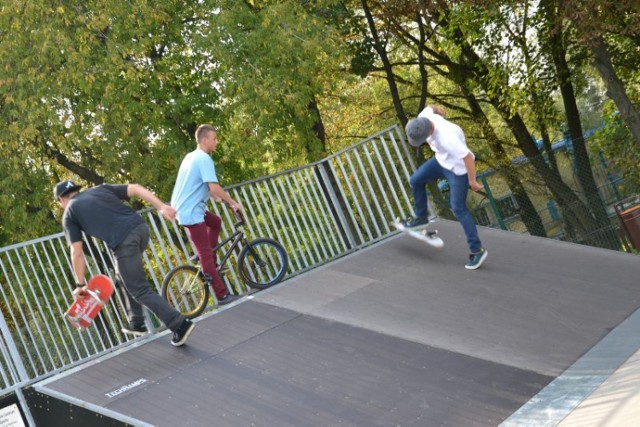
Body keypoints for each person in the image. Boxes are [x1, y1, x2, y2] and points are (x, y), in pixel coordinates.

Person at [54, 180, 196, 346]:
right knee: (123, 275)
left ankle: (179, 324)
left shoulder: (69, 213)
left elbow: (77, 252)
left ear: (61, 200)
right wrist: (161, 207)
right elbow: (135, 188)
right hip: (141, 230)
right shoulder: (99, 190)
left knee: (140, 289)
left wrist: (80, 284)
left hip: (124, 242)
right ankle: (137, 321)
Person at [403, 105, 488, 270]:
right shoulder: (424, 117)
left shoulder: (447, 138)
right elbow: (430, 107)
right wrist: (439, 109)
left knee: (458, 208)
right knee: (415, 180)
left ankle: (477, 250)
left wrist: (472, 181)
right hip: (440, 161)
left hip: (458, 170)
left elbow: (469, 157)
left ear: (428, 132)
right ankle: (421, 218)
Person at [171, 124, 243, 306]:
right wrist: (231, 201)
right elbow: (214, 186)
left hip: (189, 208)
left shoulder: (191, 157)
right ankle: (222, 295)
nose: (216, 142)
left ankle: (209, 259)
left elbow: (197, 183)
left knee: (216, 222)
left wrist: (214, 196)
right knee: (205, 255)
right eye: (214, 138)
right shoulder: (203, 159)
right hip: (191, 213)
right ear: (204, 140)